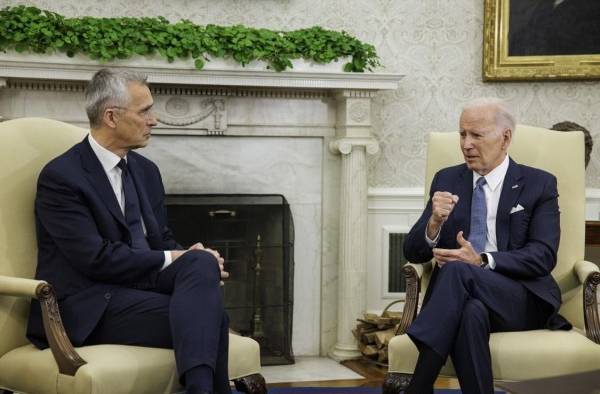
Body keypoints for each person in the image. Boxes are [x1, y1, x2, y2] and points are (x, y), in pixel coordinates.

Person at [26, 68, 231, 394]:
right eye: (145, 111)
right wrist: (173, 257)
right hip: (90, 303)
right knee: (212, 318)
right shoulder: (62, 177)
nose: (155, 119)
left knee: (201, 263)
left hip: (139, 286)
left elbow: (160, 239)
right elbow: (95, 259)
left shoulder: (145, 170)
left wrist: (188, 255)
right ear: (111, 116)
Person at [402, 98, 571, 394]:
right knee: (470, 313)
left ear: (505, 138)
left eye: (476, 135)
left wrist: (481, 260)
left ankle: (420, 384)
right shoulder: (448, 178)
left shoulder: (538, 184)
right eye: (462, 134)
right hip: (465, 298)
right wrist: (434, 222)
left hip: (521, 296)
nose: (466, 144)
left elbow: (543, 256)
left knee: (457, 271)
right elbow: (413, 252)